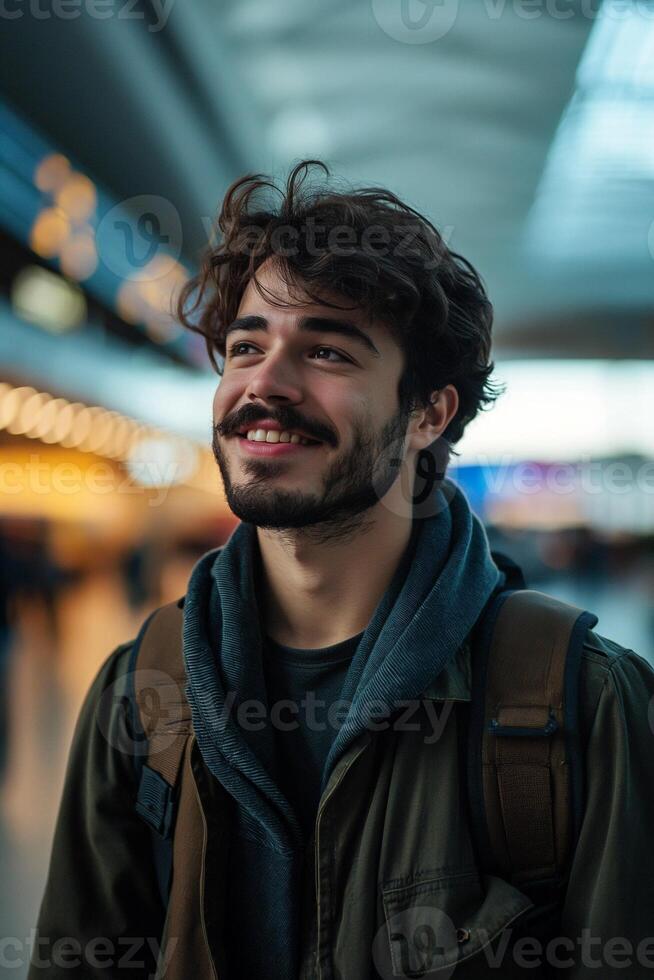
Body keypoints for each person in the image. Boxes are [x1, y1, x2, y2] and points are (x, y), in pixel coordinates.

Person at [29, 161, 654, 979]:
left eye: (326, 351)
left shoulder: (582, 703)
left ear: (429, 412)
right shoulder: (141, 692)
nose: (265, 384)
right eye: (246, 346)